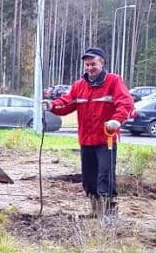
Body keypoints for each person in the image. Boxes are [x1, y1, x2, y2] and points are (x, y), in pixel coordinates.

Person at [44, 47, 134, 218]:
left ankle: (108, 213)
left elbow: (126, 103)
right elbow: (67, 103)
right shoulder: (79, 86)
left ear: (102, 63)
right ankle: (95, 210)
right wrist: (51, 105)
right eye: (87, 65)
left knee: (105, 176)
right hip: (86, 140)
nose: (89, 67)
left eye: (93, 64)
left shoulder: (114, 81)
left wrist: (117, 120)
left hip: (105, 139)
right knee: (89, 178)